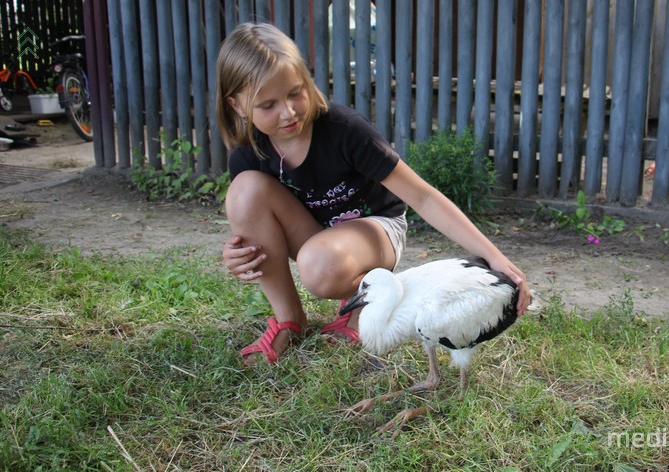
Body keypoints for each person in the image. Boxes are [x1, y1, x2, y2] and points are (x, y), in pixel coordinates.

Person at [216, 22, 530, 366]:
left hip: (376, 231)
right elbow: (256, 224)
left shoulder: (344, 131)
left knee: (319, 266)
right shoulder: (249, 154)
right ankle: (290, 319)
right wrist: (239, 254)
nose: (288, 112)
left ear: (307, 80)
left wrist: (496, 258)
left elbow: (423, 197)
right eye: (268, 105)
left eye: (295, 92)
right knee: (244, 190)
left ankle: (363, 300)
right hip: (317, 237)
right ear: (238, 105)